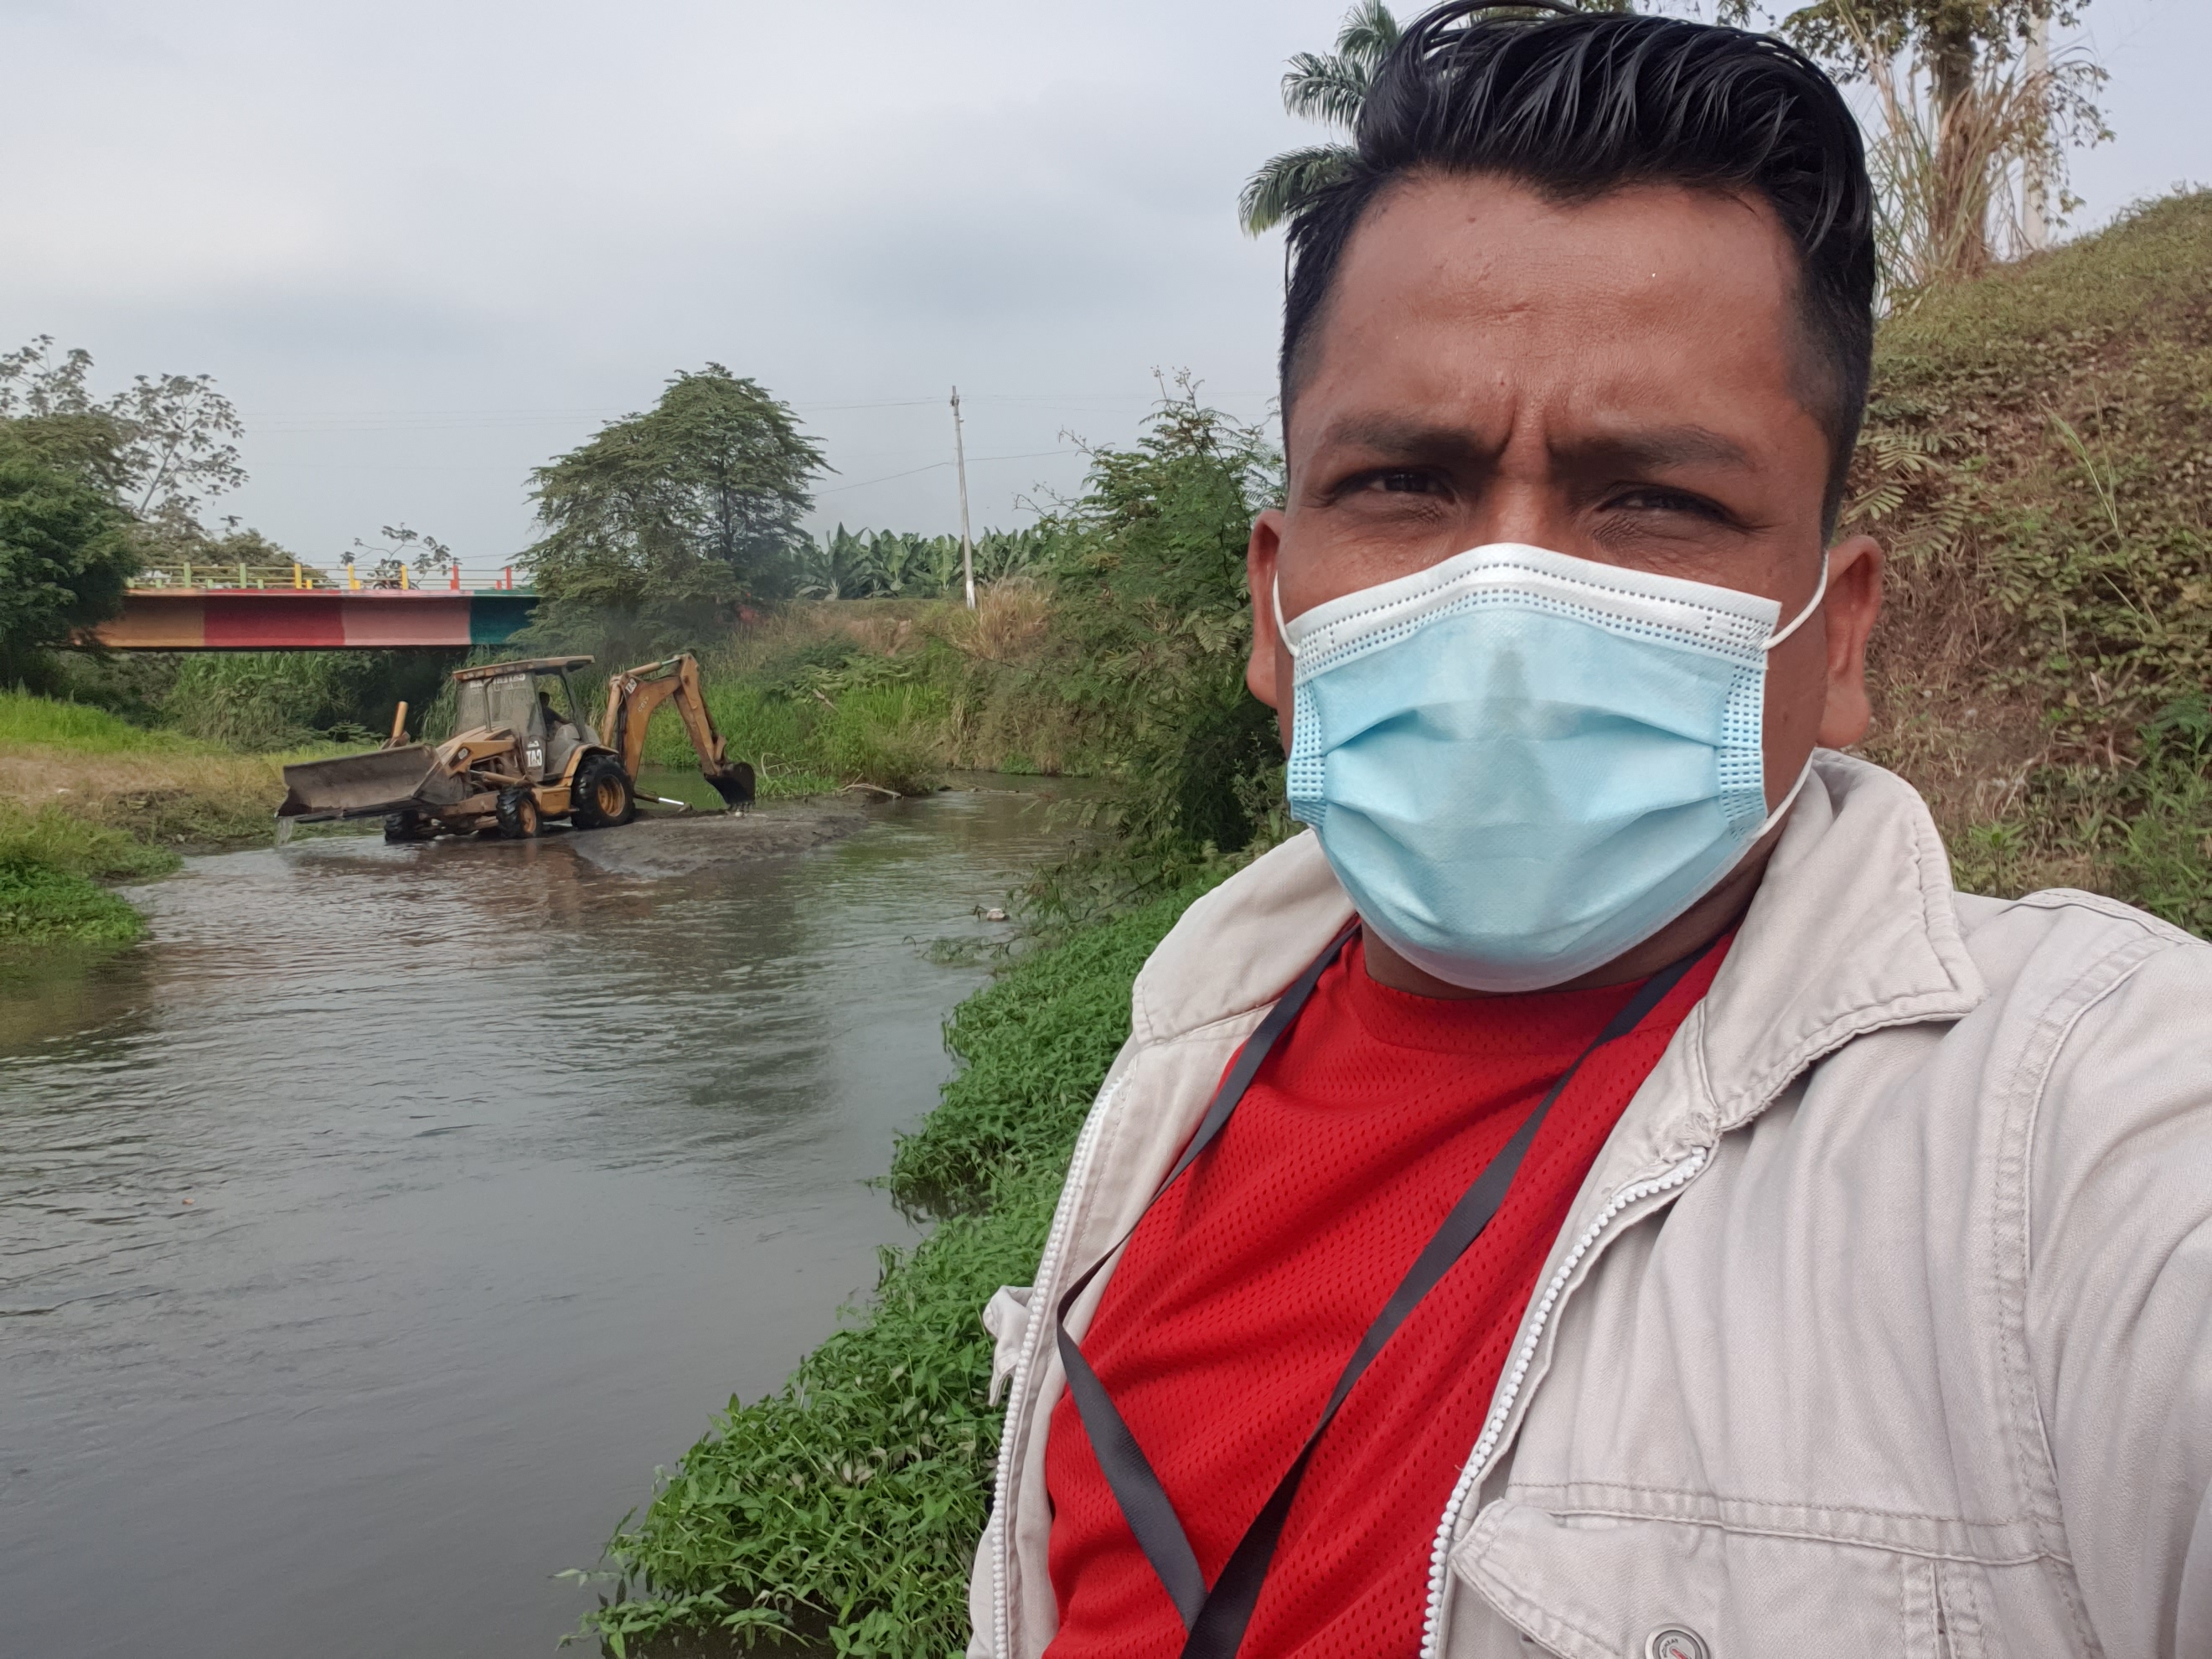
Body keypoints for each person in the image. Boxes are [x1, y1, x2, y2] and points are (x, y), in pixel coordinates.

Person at [965, 6, 2212, 1658]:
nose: (1508, 597)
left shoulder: (2076, 1141)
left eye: (1658, 498)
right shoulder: (1183, 1062)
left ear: (1839, 635)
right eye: (1403, 482)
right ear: (1273, 607)